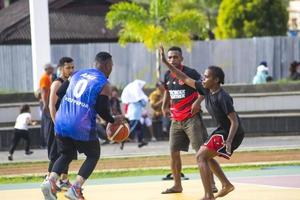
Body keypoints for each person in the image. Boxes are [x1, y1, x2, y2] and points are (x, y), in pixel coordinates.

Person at [160, 45, 245, 200]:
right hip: (222, 130)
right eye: (204, 77)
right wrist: (165, 62)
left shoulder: (223, 97)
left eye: (206, 77)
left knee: (201, 156)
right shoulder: (206, 89)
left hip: (232, 133)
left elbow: (235, 122)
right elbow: (183, 77)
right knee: (204, 156)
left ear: (216, 80)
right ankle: (226, 185)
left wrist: (229, 141)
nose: (203, 79)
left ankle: (209, 195)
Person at [41, 52, 124, 200]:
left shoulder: (78, 73)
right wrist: (113, 120)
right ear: (106, 65)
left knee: (66, 154)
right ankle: (75, 188)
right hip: (80, 124)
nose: (111, 68)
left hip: (61, 121)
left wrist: (66, 111)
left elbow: (60, 92)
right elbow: (102, 109)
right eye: (111, 66)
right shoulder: (104, 83)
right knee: (93, 154)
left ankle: (50, 181)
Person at [161, 46, 217, 194]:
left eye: (175, 57)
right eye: (170, 57)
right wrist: (164, 106)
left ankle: (212, 184)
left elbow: (204, 89)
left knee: (202, 152)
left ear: (181, 58)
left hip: (192, 119)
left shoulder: (190, 73)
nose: (172, 60)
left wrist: (198, 102)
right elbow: (167, 90)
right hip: (176, 119)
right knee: (173, 152)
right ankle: (177, 185)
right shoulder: (167, 74)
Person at [46, 57, 75, 191]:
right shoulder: (57, 84)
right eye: (68, 67)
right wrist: (56, 124)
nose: (71, 70)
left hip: (67, 122)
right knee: (55, 153)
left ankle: (63, 180)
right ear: (61, 69)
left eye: (72, 67)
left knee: (67, 152)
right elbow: (51, 106)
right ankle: (48, 180)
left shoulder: (71, 82)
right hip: (56, 122)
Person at [120, 80, 148, 149]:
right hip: (135, 115)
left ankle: (141, 141)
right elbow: (144, 104)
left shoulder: (133, 98)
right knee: (131, 128)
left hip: (133, 115)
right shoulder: (138, 98)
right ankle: (123, 139)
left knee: (139, 128)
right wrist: (144, 99)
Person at [39, 63, 54, 148]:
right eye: (51, 68)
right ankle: (45, 142)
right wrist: (45, 104)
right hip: (45, 103)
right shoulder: (45, 78)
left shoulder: (48, 77)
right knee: (47, 123)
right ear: (47, 69)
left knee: (47, 122)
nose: (53, 70)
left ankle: (45, 142)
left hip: (46, 102)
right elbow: (44, 91)